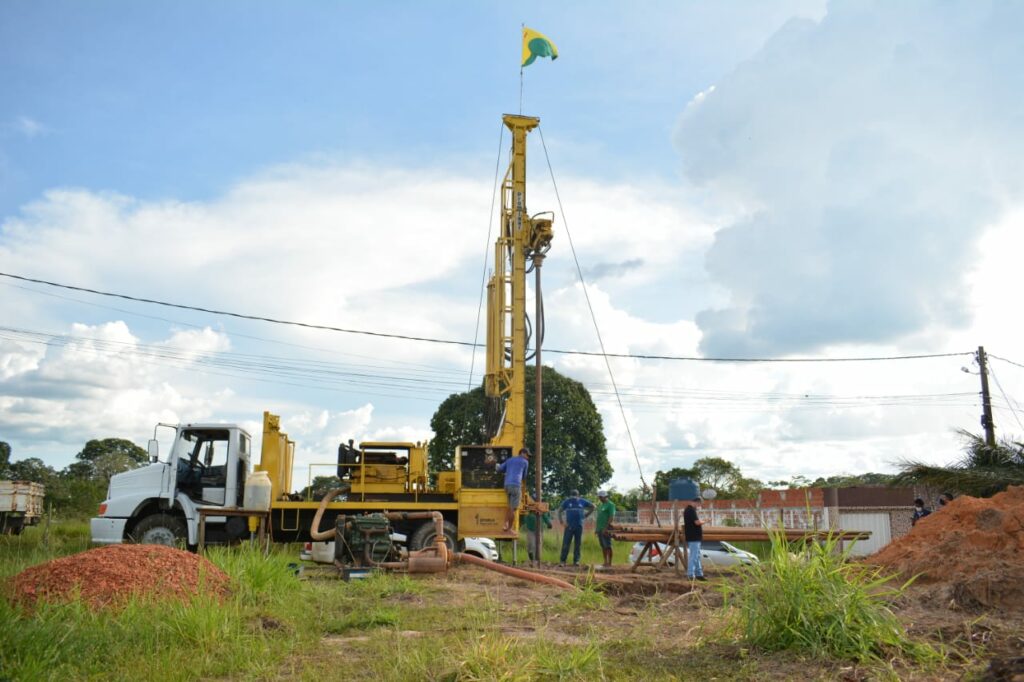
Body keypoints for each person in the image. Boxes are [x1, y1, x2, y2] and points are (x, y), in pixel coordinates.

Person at [558, 489, 594, 567]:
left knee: (578, 544)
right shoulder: (567, 502)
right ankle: (562, 561)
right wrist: (562, 522)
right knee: (566, 543)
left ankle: (576, 561)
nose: (574, 497)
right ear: (570, 495)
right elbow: (559, 511)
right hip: (569, 526)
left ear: (578, 495)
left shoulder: (582, 501)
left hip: (579, 526)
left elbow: (593, 506)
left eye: (575, 496)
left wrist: (586, 515)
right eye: (572, 496)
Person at [497, 448, 530, 532]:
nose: (528, 457)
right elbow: (524, 476)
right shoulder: (525, 462)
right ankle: (509, 528)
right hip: (516, 485)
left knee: (509, 507)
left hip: (507, 486)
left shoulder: (509, 460)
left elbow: (499, 469)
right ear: (522, 453)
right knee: (513, 509)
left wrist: (496, 464)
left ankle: (505, 524)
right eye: (527, 455)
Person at [683, 496, 706, 581]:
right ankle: (690, 574)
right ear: (697, 502)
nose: (699, 506)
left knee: (697, 556)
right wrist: (705, 521)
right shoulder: (691, 510)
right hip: (694, 537)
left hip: (693, 537)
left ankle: (699, 574)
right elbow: (697, 522)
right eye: (699, 504)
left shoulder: (689, 510)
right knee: (694, 556)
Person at [594, 490, 616, 569]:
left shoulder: (611, 505)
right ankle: (605, 562)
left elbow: (611, 517)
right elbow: (599, 518)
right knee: (603, 546)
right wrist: (597, 529)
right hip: (600, 529)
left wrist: (606, 528)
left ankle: (610, 562)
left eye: (600, 497)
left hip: (606, 529)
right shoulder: (601, 505)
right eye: (599, 497)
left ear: (604, 497)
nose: (599, 499)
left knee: (608, 546)